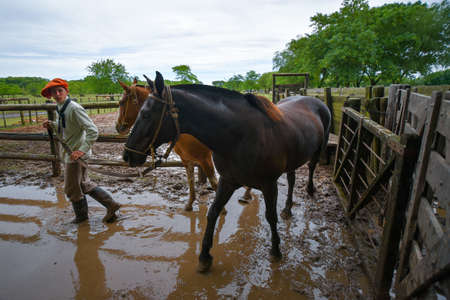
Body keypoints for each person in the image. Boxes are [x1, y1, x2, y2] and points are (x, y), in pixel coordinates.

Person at [41, 78, 120, 224]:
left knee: (71, 188)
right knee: (83, 184)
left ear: (66, 91)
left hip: (76, 156)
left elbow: (93, 131)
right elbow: (67, 125)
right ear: (51, 95)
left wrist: (81, 151)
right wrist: (52, 124)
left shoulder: (74, 108)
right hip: (72, 152)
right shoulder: (61, 107)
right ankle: (111, 205)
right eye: (54, 92)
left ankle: (82, 218)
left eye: (60, 91)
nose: (57, 94)